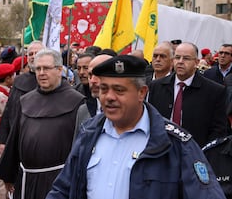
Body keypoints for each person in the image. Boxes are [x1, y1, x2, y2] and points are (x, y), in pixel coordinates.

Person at [46, 55, 226, 199]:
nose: (109, 97)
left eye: (119, 90)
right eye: (104, 89)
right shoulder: (88, 133)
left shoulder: (175, 143)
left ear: (142, 93)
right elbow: (63, 189)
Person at [0, 49, 85, 199]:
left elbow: (80, 147)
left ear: (59, 70)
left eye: (46, 68)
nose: (41, 73)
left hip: (59, 181)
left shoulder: (76, 102)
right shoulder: (26, 101)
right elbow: (14, 139)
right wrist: (8, 175)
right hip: (26, 178)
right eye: (38, 68)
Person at [148, 42, 230, 147]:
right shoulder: (156, 86)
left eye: (186, 58)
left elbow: (218, 130)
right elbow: (151, 121)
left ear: (196, 62)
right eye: (177, 57)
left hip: (196, 153)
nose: (180, 62)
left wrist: (204, 154)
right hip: (161, 150)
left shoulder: (215, 91)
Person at [0, 41, 44, 148]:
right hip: (19, 136)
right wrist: (4, 139)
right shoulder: (19, 81)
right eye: (31, 54)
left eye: (37, 53)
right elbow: (9, 110)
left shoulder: (51, 81)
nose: (34, 56)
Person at [74, 53, 113, 138]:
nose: (92, 81)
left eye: (98, 75)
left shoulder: (128, 112)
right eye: (90, 75)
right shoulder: (83, 110)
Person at [0, 63, 15, 135]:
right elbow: (8, 113)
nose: (15, 77)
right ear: (7, 79)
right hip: (2, 129)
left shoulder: (7, 90)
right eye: (13, 76)